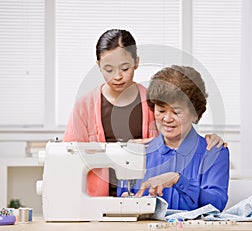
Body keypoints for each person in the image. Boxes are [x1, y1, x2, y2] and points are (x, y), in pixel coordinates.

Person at [63, 29, 226, 197]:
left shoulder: (153, 102)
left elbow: (175, 139)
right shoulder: (84, 107)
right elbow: (67, 156)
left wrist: (210, 140)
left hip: (138, 194)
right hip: (94, 198)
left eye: (125, 68)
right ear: (98, 66)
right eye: (109, 69)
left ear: (136, 62)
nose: (117, 76)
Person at [118, 65, 230, 212]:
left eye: (176, 112)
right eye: (161, 110)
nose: (167, 119)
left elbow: (217, 203)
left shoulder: (213, 152)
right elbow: (123, 195)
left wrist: (178, 179)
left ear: (195, 114)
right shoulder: (140, 151)